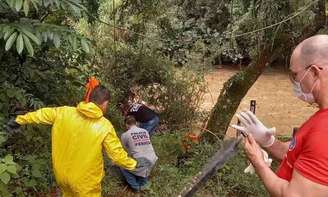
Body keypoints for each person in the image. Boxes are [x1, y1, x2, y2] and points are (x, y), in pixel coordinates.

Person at [5, 78, 150, 197]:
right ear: (105, 103)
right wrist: (135, 164)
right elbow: (117, 155)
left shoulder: (63, 112)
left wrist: (19, 120)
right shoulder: (104, 125)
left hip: (62, 176)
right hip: (85, 183)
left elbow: (40, 115)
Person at [232, 35, 328, 196]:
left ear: (314, 72)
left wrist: (258, 162)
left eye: (295, 75)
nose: (295, 82)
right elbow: (299, 154)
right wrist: (267, 140)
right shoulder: (321, 118)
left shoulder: (324, 130)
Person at [119, 115, 158, 192]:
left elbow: (124, 151)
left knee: (122, 165)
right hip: (153, 158)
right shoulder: (145, 131)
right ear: (136, 123)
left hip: (142, 161)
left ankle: (136, 188)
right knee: (143, 166)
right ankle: (143, 184)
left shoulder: (125, 135)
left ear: (126, 124)